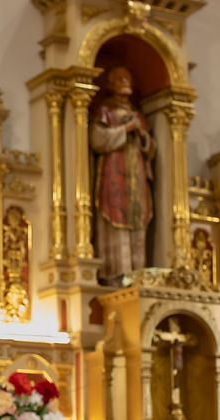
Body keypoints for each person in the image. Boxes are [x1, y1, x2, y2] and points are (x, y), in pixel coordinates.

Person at [90, 65, 156, 283]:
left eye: (128, 78)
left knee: (137, 218)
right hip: (114, 176)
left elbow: (149, 148)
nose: (125, 81)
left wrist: (143, 136)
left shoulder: (137, 114)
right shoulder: (105, 111)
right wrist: (124, 130)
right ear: (109, 85)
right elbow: (97, 139)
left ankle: (138, 276)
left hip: (135, 177)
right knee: (115, 219)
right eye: (119, 79)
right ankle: (118, 275)